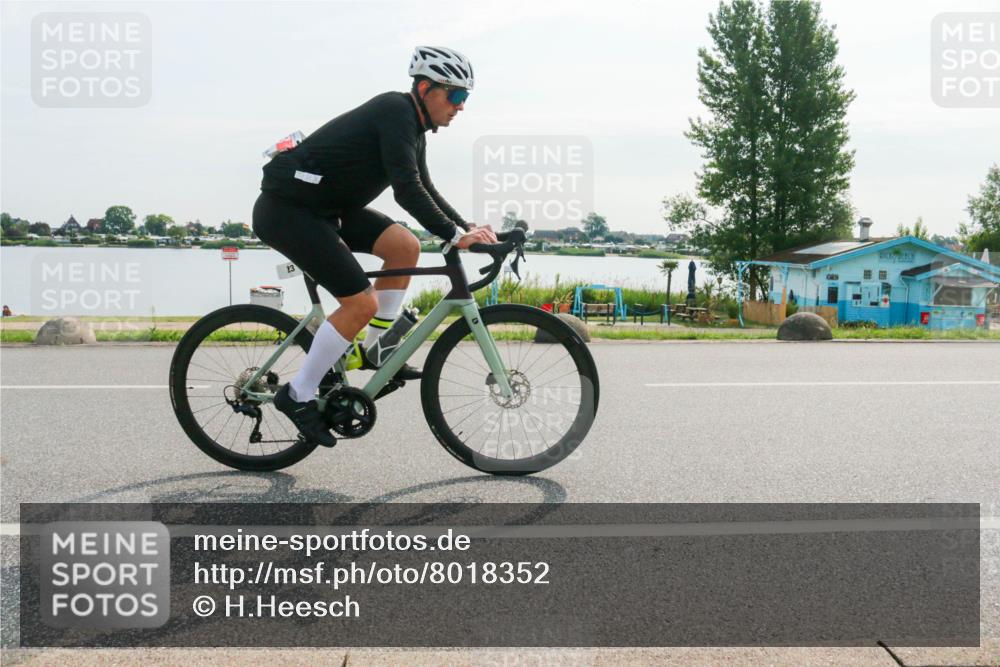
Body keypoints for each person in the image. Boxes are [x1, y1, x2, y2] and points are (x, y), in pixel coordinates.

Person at [252, 46, 497, 447]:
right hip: (288, 210)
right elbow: (405, 190)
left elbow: (425, 186)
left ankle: (374, 347)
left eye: (464, 98)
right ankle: (298, 395)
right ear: (425, 88)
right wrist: (453, 236)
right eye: (455, 95)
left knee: (404, 245)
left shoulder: (413, 126)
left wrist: (462, 225)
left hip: (327, 209)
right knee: (360, 304)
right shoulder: (394, 111)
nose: (460, 107)